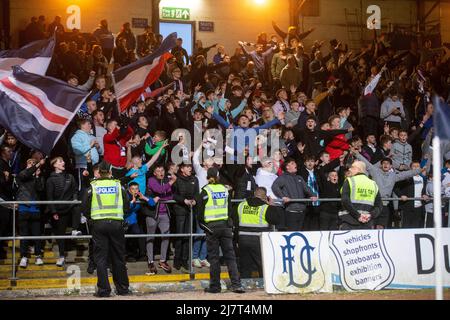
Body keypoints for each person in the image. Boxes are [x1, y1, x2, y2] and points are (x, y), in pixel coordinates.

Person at [81, 161, 131, 297]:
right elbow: (127, 205)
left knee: (101, 258)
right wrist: (122, 216)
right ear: (110, 171)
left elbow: (84, 207)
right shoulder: (118, 185)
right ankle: (123, 289)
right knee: (119, 257)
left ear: (99, 172)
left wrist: (91, 220)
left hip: (98, 224)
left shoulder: (93, 186)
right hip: (116, 224)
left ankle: (104, 290)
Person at [196, 167, 245, 294]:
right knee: (230, 257)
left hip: (211, 228)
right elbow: (229, 210)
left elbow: (199, 215)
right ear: (218, 176)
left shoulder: (205, 191)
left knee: (214, 259)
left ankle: (215, 287)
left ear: (207, 177)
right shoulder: (225, 190)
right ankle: (237, 285)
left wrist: (204, 227)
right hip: (225, 227)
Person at [234, 187, 279, 278]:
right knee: (262, 264)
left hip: (243, 238)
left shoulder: (241, 205)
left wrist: (236, 240)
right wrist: (272, 206)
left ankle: (245, 283)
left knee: (245, 264)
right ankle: (264, 283)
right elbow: (276, 220)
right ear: (265, 197)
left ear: (254, 194)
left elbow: (235, 222)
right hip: (259, 239)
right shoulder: (266, 207)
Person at [46, 157, 81, 267]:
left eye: (63, 160)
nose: (64, 162)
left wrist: (75, 198)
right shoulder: (50, 180)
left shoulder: (70, 176)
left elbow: (75, 190)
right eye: (60, 161)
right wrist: (53, 212)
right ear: (55, 165)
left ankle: (75, 229)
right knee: (60, 234)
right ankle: (61, 256)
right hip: (58, 209)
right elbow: (49, 197)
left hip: (69, 205)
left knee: (77, 206)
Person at [271, 158, 318, 231]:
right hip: (291, 211)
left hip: (302, 211)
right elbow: (274, 186)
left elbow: (307, 189)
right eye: (292, 163)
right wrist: (282, 196)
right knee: (293, 233)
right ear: (287, 167)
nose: (295, 164)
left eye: (295, 163)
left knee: (301, 234)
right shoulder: (283, 177)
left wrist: (313, 195)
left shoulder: (299, 177)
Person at [17, 158, 46, 268]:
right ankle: (24, 256)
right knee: (24, 234)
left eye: (34, 163)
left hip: (35, 209)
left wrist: (37, 177)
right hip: (24, 208)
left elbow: (40, 189)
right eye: (30, 163)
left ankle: (38, 255)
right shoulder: (22, 174)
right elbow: (25, 175)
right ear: (26, 165)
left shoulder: (37, 177)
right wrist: (38, 165)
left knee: (37, 234)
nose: (33, 165)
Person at [340, 161, 383, 230]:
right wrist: (370, 215)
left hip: (349, 221)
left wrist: (358, 216)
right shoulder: (373, 184)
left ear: (359, 169)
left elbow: (345, 201)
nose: (349, 169)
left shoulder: (350, 181)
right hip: (367, 222)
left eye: (352, 167)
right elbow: (379, 206)